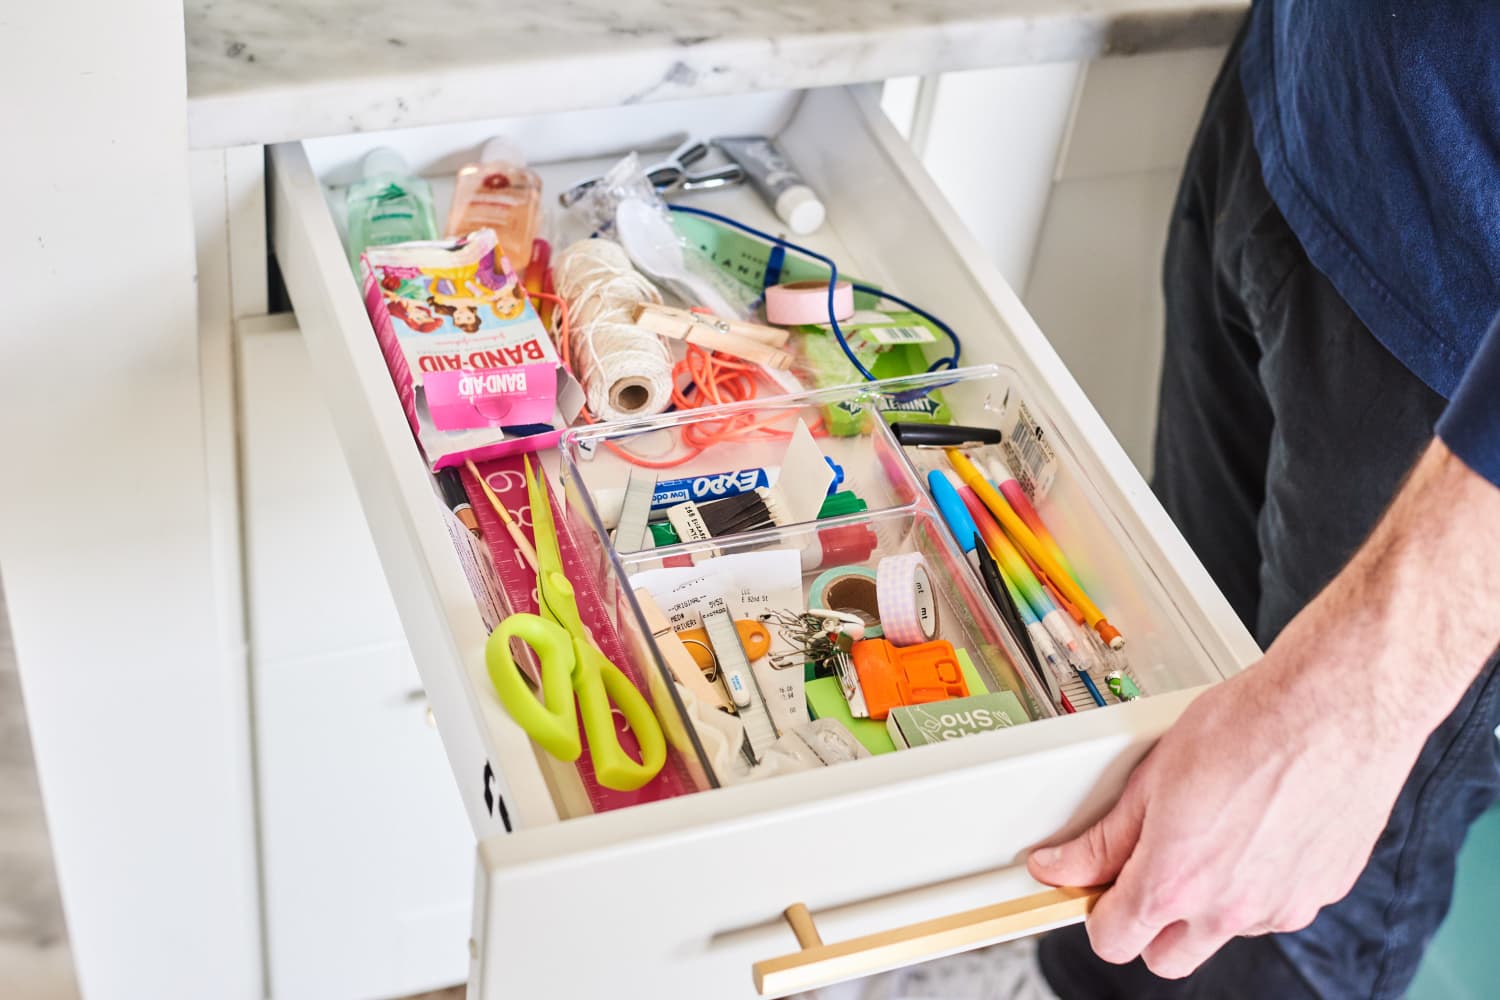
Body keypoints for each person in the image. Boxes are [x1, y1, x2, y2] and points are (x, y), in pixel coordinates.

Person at [1022, 3, 1500, 997]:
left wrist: (1374, 686)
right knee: (1144, 711)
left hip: (1456, 390)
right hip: (1304, 105)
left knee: (1261, 924)